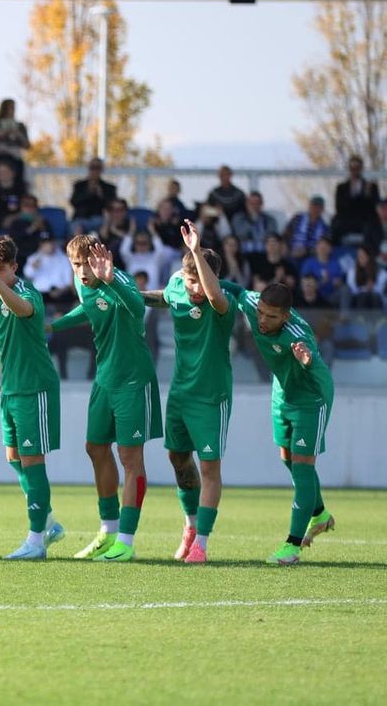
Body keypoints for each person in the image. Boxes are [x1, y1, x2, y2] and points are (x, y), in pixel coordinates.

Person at [50, 235, 161, 562]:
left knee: (130, 457)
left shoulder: (117, 278)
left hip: (133, 379)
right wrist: (50, 327)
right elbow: (87, 308)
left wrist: (112, 279)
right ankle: (108, 532)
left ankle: (126, 542)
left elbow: (138, 307)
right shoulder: (82, 282)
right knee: (95, 447)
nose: (82, 270)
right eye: (76, 264)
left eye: (86, 263)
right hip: (105, 379)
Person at [141, 223, 238, 563]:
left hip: (212, 396)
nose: (194, 287)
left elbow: (213, 296)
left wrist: (197, 252)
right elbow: (162, 297)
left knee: (210, 467)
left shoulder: (224, 299)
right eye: (190, 278)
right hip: (180, 393)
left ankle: (203, 544)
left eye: (200, 278)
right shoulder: (177, 285)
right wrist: (118, 287)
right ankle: (190, 527)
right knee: (178, 458)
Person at [0, 235, 66, 559]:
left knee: (33, 461)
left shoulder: (28, 292)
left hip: (35, 387)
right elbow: (4, 330)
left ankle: (36, 542)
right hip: (11, 386)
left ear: (14, 266)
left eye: (2, 269)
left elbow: (23, 310)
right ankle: (49, 521)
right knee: (13, 458)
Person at [232, 283, 336, 565]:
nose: (263, 320)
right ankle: (321, 514)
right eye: (261, 313)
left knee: (303, 468)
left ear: (286, 316)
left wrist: (306, 361)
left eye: (271, 317)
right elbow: (232, 288)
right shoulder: (254, 305)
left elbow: (316, 366)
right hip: (282, 395)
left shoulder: (299, 336)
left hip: (311, 401)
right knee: (287, 459)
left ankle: (292, 546)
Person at [332, 156, 381, 245]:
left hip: (365, 220)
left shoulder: (371, 186)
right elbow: (339, 207)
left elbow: (375, 207)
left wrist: (367, 195)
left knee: (373, 226)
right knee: (335, 224)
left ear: (361, 168)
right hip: (347, 220)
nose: (354, 170)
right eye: (352, 167)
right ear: (349, 169)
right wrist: (352, 194)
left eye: (357, 167)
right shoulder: (341, 187)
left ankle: (368, 254)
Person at [0, 99, 30, 188]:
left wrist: (18, 135)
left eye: (13, 108)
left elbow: (27, 145)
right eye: (9, 108)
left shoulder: (20, 126)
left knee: (19, 181)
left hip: (15, 158)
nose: (12, 110)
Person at [23, 233, 74, 303]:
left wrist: (60, 291)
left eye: (49, 243)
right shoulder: (34, 258)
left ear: (54, 243)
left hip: (60, 295)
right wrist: (33, 266)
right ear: (41, 245)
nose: (48, 246)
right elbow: (27, 274)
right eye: (45, 244)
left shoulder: (64, 259)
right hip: (40, 294)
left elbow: (69, 282)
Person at [69, 158, 117, 231]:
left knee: (106, 228)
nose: (95, 171)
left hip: (100, 219)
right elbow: (74, 202)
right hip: (81, 218)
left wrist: (101, 195)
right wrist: (88, 192)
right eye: (92, 167)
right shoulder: (79, 185)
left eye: (97, 168)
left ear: (101, 169)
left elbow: (113, 206)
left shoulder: (109, 187)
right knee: (77, 230)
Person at [298, 237, 344, 302]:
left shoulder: (335, 263)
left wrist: (337, 283)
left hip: (331, 296)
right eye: (320, 246)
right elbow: (304, 285)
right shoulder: (309, 263)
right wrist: (322, 282)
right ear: (316, 248)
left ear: (331, 249)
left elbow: (340, 281)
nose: (323, 249)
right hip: (314, 297)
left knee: (344, 290)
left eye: (326, 246)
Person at [284, 196, 330, 260]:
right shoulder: (297, 218)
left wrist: (306, 251)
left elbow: (323, 247)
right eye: (314, 206)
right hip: (291, 253)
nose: (315, 209)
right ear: (309, 206)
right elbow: (286, 235)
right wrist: (287, 249)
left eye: (319, 207)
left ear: (322, 210)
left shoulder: (324, 228)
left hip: (311, 257)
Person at [346, 245, 386, 309]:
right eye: (359, 256)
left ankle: (377, 317)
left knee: (374, 296)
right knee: (362, 296)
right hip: (358, 298)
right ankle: (360, 317)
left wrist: (372, 288)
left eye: (363, 256)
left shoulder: (380, 271)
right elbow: (352, 289)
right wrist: (365, 289)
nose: (360, 258)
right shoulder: (352, 271)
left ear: (369, 256)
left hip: (376, 298)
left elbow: (381, 291)